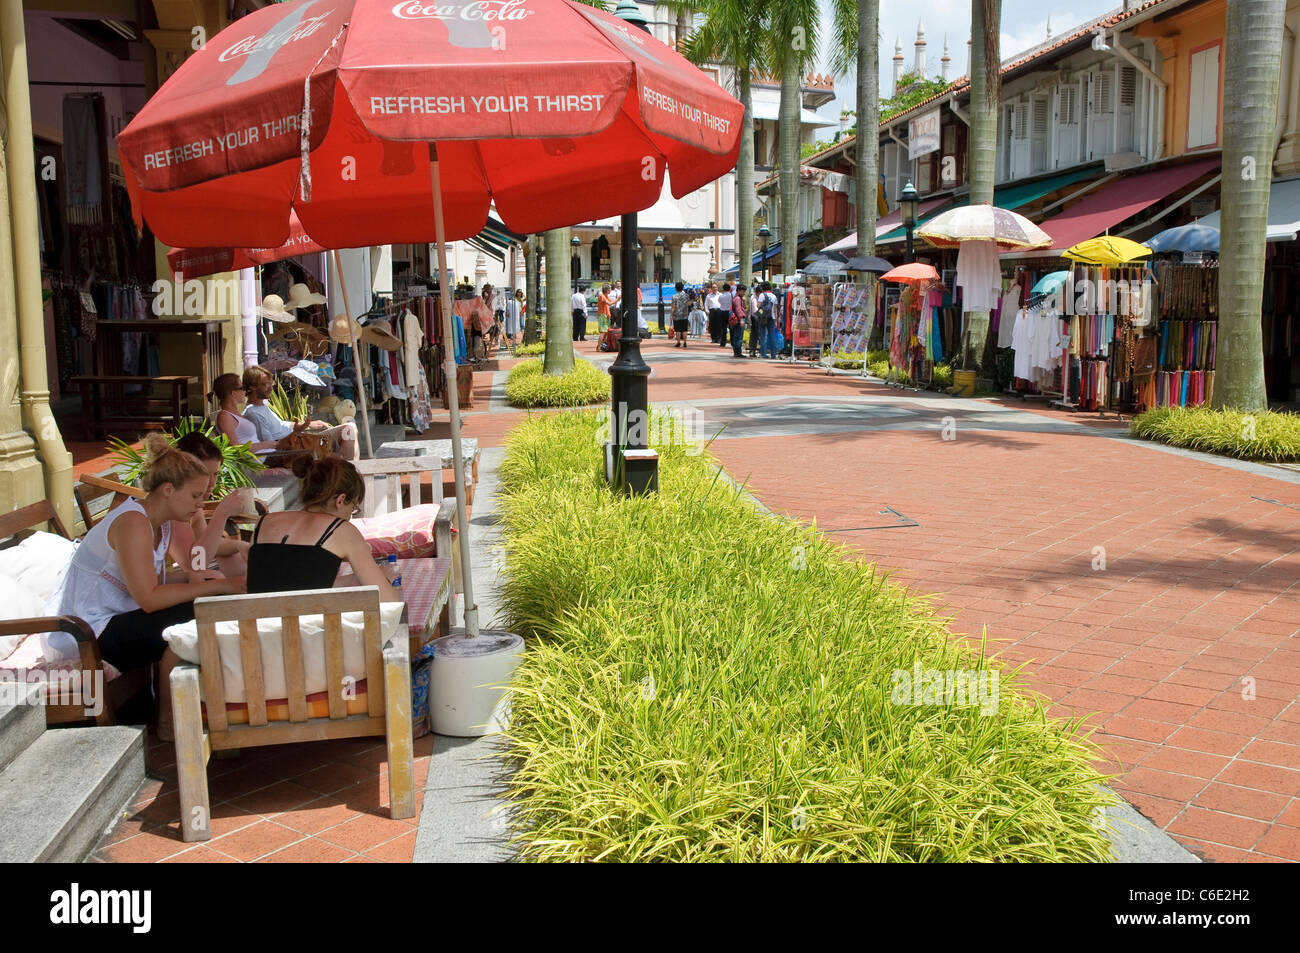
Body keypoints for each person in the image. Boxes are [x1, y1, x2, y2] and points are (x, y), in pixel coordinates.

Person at [48, 435, 246, 739]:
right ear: (168, 490)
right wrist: (220, 587)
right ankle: (169, 721)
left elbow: (156, 582)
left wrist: (212, 582)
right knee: (201, 612)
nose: (200, 503)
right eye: (195, 496)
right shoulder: (133, 523)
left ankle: (189, 708)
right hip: (89, 633)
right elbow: (150, 598)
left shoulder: (159, 521)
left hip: (116, 619)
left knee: (205, 606)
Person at [246, 456, 402, 602]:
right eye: (353, 507)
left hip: (257, 629)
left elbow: (287, 584)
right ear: (340, 500)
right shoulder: (341, 529)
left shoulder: (264, 522)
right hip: (311, 629)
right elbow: (388, 600)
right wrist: (387, 579)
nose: (350, 516)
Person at [173, 429, 251, 578]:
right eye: (205, 475)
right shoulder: (174, 505)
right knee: (225, 574)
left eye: (215, 474)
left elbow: (209, 542)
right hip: (166, 582)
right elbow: (195, 566)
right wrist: (221, 514)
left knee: (239, 561)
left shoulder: (192, 501)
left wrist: (239, 545)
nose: (212, 483)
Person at [242, 365, 358, 461]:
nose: (270, 388)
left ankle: (354, 472)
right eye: (264, 384)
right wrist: (297, 432)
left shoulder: (263, 407)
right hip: (295, 444)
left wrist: (307, 425)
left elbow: (281, 425)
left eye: (270, 384)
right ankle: (350, 475)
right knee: (348, 431)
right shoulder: (253, 414)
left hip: (300, 437)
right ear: (252, 387)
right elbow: (273, 444)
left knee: (349, 429)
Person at [210, 372, 296, 460]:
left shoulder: (234, 414)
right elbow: (235, 448)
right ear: (233, 393)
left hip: (265, 455)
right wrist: (265, 444)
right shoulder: (225, 416)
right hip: (257, 460)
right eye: (242, 388)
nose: (245, 391)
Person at [757, 282, 780, 359]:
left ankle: (763, 353)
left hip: (763, 317)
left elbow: (758, 306)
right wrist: (776, 319)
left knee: (763, 335)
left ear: (762, 288)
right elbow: (775, 309)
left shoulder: (762, 295)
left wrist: (761, 314)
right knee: (772, 336)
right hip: (772, 317)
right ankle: (773, 354)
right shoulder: (774, 296)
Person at [670, 281, 691, 348]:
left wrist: (671, 314)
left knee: (678, 330)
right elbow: (689, 304)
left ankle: (678, 342)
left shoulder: (674, 296)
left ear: (676, 288)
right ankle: (685, 342)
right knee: (684, 329)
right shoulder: (686, 296)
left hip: (677, 315)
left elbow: (673, 306)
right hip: (685, 314)